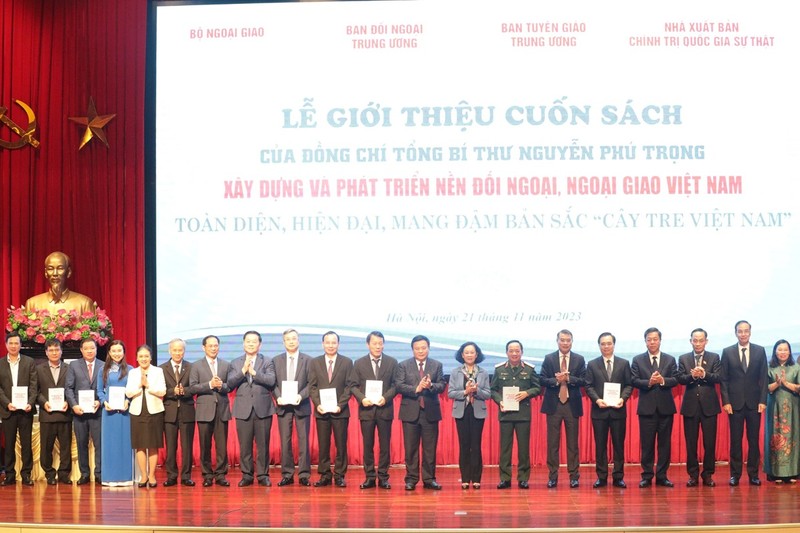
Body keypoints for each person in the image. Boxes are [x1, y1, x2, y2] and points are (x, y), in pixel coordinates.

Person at [720, 319, 768, 486]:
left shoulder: (760, 351)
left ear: (750, 332)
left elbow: (763, 377)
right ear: (735, 333)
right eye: (740, 331)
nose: (743, 334)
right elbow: (723, 379)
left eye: (746, 331)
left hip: (755, 404)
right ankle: (735, 475)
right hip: (735, 404)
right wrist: (726, 401)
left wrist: (763, 400)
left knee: (753, 440)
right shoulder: (727, 352)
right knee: (736, 440)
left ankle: (754, 474)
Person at [227, 330, 276, 487]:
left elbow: (271, 380)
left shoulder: (267, 361)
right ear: (243, 344)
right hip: (243, 408)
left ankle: (263, 475)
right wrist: (243, 371)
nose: (251, 344)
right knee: (245, 445)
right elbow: (230, 384)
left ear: (259, 344)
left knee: (263, 444)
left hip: (263, 408)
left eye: (254, 341)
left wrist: (254, 373)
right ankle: (247, 475)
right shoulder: (235, 363)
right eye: (248, 341)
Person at [396, 334, 446, 491]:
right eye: (417, 348)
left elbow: (442, 385)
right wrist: (416, 389)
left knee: (430, 448)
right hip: (410, 411)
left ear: (428, 348)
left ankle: (429, 479)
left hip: (430, 412)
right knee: (410, 448)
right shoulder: (403, 365)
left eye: (424, 348)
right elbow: (399, 385)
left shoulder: (437, 365)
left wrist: (430, 386)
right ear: (412, 350)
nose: (421, 351)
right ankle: (411, 479)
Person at [350, 331, 398, 490]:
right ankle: (370, 476)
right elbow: (353, 386)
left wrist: (386, 397)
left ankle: (383, 477)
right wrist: (362, 398)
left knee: (385, 446)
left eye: (380, 343)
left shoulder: (392, 362)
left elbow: (395, 385)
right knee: (367, 445)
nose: (378, 346)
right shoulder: (359, 363)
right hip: (367, 410)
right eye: (374, 343)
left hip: (385, 409)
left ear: (383, 344)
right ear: (368, 344)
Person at [631, 327, 678, 488]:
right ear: (645, 341)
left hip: (666, 409)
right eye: (649, 339)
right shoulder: (637, 360)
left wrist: (662, 380)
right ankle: (647, 475)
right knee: (647, 444)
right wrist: (649, 382)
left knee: (665, 444)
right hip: (646, 409)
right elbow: (634, 380)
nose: (652, 342)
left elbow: (676, 379)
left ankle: (662, 476)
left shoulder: (670, 359)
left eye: (655, 339)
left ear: (660, 340)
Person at [490, 339, 540, 490]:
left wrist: (526, 393)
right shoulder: (499, 370)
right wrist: (500, 402)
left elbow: (537, 388)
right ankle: (505, 478)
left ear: (521, 352)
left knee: (523, 449)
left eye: (517, 351)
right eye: (511, 351)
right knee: (505, 448)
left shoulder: (529, 369)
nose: (514, 353)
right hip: (505, 414)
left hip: (523, 414)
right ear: (506, 353)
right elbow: (493, 390)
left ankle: (523, 478)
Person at [584, 332, 632, 488]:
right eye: (603, 344)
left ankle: (618, 476)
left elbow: (629, 385)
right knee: (600, 445)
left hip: (618, 411)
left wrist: (622, 399)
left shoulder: (624, 363)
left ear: (614, 344)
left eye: (609, 343)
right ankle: (602, 476)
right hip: (599, 412)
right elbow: (588, 386)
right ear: (599, 346)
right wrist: (597, 400)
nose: (606, 346)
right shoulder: (592, 364)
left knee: (619, 445)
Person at [539, 329, 586, 488]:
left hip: (572, 405)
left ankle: (574, 476)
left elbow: (584, 380)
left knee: (573, 444)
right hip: (554, 405)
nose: (565, 343)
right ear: (557, 341)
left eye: (568, 340)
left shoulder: (579, 359)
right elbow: (542, 380)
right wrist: (557, 381)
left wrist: (569, 378)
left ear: (572, 342)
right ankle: (553, 476)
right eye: (562, 340)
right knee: (553, 443)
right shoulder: (549, 358)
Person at [676, 328, 721, 487]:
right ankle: (693, 475)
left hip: (709, 407)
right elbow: (680, 378)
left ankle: (708, 474)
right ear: (690, 341)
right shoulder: (684, 358)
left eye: (701, 340)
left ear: (706, 341)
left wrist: (704, 375)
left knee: (709, 444)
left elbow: (718, 377)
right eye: (695, 340)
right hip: (690, 407)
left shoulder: (714, 357)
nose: (698, 343)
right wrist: (692, 376)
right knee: (691, 444)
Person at [308, 330, 353, 487]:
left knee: (341, 445)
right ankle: (325, 475)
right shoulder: (315, 362)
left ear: (338, 344)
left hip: (340, 411)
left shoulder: (347, 362)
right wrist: (317, 404)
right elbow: (312, 386)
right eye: (327, 342)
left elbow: (349, 386)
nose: (331, 345)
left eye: (334, 342)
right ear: (322, 344)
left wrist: (340, 405)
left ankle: (340, 475)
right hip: (322, 411)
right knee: (323, 445)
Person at [188, 334, 232, 487]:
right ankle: (207, 474)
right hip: (204, 410)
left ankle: (221, 475)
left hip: (222, 410)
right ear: (203, 348)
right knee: (205, 445)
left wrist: (221, 386)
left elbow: (230, 386)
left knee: (222, 446)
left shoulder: (226, 365)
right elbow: (192, 388)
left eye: (216, 346)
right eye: (210, 346)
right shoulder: (196, 366)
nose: (213, 348)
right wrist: (209, 384)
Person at [272, 328, 312, 487]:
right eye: (288, 339)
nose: (291, 341)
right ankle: (287, 474)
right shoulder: (276, 360)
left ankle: (304, 475)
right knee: (285, 441)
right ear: (283, 342)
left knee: (303, 441)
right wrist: (278, 396)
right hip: (283, 406)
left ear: (298, 340)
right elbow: (273, 383)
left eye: (294, 339)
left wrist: (300, 396)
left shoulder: (308, 360)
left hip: (301, 405)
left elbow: (311, 383)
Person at [447, 341, 490, 490]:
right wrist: (465, 392)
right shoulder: (455, 372)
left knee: (476, 445)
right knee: (464, 445)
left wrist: (477, 391)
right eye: (467, 352)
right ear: (462, 355)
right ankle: (465, 479)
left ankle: (477, 479)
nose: (470, 355)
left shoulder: (483, 372)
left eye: (472, 352)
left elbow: (488, 394)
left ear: (477, 354)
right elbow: (451, 393)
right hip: (462, 410)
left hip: (477, 410)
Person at [0, 332, 38, 485]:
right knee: (8, 444)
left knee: (26, 443)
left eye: (16, 343)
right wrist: (6, 403)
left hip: (25, 410)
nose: (14, 346)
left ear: (20, 345)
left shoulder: (29, 362)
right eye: (11, 343)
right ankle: (9, 475)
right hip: (8, 410)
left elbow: (34, 385)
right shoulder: (0, 363)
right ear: (6, 345)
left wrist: (30, 402)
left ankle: (26, 474)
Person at [126, 344, 166, 488]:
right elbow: (128, 393)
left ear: (151, 357)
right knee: (140, 445)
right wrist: (139, 385)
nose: (144, 359)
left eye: (146, 356)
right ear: (137, 358)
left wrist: (148, 385)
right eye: (141, 356)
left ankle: (152, 475)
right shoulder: (132, 373)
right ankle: (143, 476)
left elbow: (162, 391)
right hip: (137, 411)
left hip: (154, 411)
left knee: (153, 445)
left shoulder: (158, 371)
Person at [65, 337, 103, 484]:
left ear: (96, 349)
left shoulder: (103, 365)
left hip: (96, 412)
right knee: (82, 443)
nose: (89, 351)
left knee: (99, 444)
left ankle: (99, 473)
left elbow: (106, 389)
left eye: (92, 348)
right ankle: (85, 474)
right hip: (79, 413)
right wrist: (74, 405)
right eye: (86, 348)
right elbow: (68, 388)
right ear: (81, 350)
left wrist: (99, 402)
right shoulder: (73, 365)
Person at [36, 338, 73, 484]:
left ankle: (64, 474)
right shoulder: (39, 369)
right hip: (47, 414)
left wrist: (67, 402)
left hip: (64, 414)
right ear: (46, 352)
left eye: (57, 349)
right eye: (51, 350)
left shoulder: (69, 368)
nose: (54, 352)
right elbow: (36, 391)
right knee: (46, 448)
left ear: (61, 351)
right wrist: (44, 403)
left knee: (65, 447)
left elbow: (72, 389)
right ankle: (49, 473)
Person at [97, 339, 133, 486]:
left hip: (125, 412)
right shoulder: (103, 370)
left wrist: (127, 401)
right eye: (114, 351)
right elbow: (99, 390)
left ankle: (125, 477)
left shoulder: (130, 369)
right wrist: (104, 402)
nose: (117, 354)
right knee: (110, 444)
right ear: (109, 353)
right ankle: (109, 477)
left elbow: (132, 390)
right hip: (109, 412)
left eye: (119, 351)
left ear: (124, 352)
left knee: (124, 443)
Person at [160, 338, 195, 487]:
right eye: (174, 350)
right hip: (169, 411)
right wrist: (172, 392)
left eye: (180, 350)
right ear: (169, 351)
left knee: (187, 447)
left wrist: (184, 391)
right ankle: (172, 476)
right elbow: (160, 389)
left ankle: (186, 476)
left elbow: (195, 387)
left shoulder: (191, 367)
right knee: (171, 446)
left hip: (187, 410)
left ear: (184, 351)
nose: (177, 353)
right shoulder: (161, 368)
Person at [763, 340, 800, 483]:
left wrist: (785, 383)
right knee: (774, 435)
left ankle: (793, 472)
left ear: (790, 352)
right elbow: (765, 389)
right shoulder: (769, 368)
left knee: (793, 436)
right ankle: (775, 473)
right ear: (775, 352)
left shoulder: (796, 367)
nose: (783, 352)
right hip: (774, 407)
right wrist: (777, 383)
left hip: (793, 407)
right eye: (780, 350)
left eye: (785, 350)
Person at [24, 251, 96, 314]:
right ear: (46, 273)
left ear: (68, 272)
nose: (55, 273)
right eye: (50, 269)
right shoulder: (32, 304)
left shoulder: (84, 304)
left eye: (60, 268)